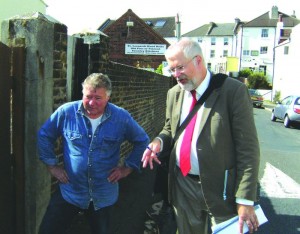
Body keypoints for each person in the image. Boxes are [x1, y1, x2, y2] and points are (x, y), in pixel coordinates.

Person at [142, 38, 260, 234]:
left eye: (180, 67)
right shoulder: (174, 94)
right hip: (183, 184)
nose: (176, 75)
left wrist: (245, 199)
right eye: (172, 70)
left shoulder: (233, 91)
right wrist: (158, 142)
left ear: (198, 60)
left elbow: (248, 149)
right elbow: (170, 129)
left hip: (222, 189)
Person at [38, 73, 149, 234]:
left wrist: (127, 168)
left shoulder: (121, 117)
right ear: (82, 94)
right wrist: (52, 166)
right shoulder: (66, 112)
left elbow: (142, 141)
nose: (91, 103)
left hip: (103, 194)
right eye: (88, 96)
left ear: (108, 98)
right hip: (70, 191)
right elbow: (44, 135)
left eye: (98, 98)